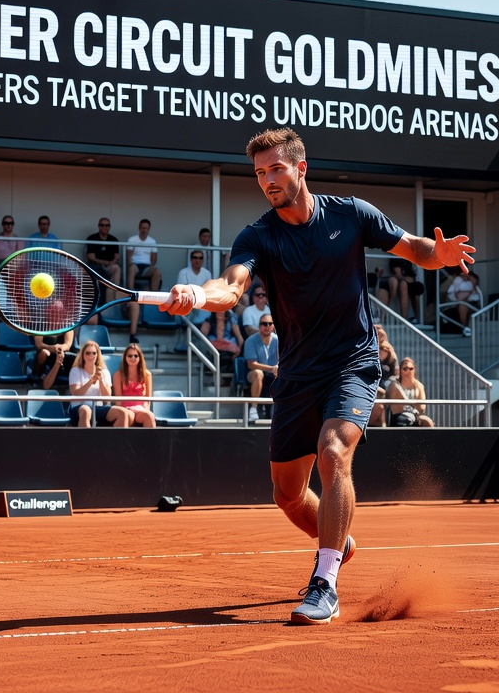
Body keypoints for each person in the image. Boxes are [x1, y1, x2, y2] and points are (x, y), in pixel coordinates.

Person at [158, 128, 475, 625]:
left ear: (301, 168)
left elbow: (414, 248)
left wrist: (441, 255)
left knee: (333, 452)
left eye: (275, 169)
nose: (266, 180)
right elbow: (231, 286)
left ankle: (324, 581)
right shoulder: (258, 235)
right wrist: (198, 296)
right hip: (298, 373)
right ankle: (338, 539)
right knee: (287, 494)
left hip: (352, 361)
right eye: (260, 172)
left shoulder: (351, 214)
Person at [68, 340, 131, 427]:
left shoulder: (104, 372)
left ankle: (115, 440)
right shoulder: (75, 370)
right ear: (82, 355)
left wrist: (101, 380)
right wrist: (91, 381)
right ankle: (85, 440)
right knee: (86, 411)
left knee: (123, 413)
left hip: (98, 407)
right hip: (79, 407)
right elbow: (75, 394)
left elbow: (107, 398)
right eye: (88, 353)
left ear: (97, 355)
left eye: (94, 353)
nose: (91, 356)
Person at [126, 218, 160, 343]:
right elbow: (128, 257)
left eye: (146, 228)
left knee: (157, 271)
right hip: (135, 265)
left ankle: (155, 298)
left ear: (149, 229)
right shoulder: (132, 239)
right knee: (132, 268)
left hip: (146, 267)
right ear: (139, 228)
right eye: (142, 227)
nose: (144, 230)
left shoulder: (152, 241)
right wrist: (132, 264)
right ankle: (130, 293)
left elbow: (154, 259)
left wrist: (150, 267)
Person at [243, 313, 279, 422]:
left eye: (270, 324)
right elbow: (251, 364)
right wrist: (272, 368)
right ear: (259, 326)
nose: (267, 326)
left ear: (273, 326)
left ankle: (278, 408)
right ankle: (253, 408)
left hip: (273, 374)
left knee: (282, 372)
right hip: (253, 374)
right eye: (264, 324)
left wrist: (277, 367)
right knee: (258, 373)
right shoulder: (251, 340)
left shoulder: (278, 340)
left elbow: (283, 359)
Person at [113, 342, 157, 428]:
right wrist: (122, 412)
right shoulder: (118, 375)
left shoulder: (147, 374)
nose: (133, 358)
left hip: (141, 409)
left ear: (140, 358)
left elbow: (148, 399)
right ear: (125, 357)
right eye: (130, 356)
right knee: (125, 416)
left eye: (136, 356)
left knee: (150, 416)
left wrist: (146, 410)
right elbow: (118, 400)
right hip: (125, 409)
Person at [84, 217, 122, 307]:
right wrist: (105, 262)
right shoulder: (92, 238)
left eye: (107, 225)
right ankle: (90, 303)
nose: (104, 227)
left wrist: (110, 263)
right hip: (95, 268)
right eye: (102, 225)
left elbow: (117, 257)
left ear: (109, 227)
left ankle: (115, 293)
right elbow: (90, 256)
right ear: (98, 226)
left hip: (108, 267)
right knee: (85, 270)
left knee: (116, 268)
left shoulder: (114, 240)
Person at [389, 357, 435, 427]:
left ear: (414, 370)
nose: (408, 371)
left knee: (428, 422)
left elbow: (422, 407)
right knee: (405, 420)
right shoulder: (394, 385)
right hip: (399, 414)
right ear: (400, 371)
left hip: (416, 415)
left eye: (411, 369)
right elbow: (394, 407)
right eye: (405, 369)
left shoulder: (419, 385)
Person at [445, 269, 479, 336]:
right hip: (456, 305)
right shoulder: (458, 283)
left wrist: (471, 290)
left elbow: (476, 298)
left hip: (472, 305)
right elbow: (455, 296)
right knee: (462, 305)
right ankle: (465, 328)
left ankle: (466, 328)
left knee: (463, 306)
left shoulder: (476, 290)